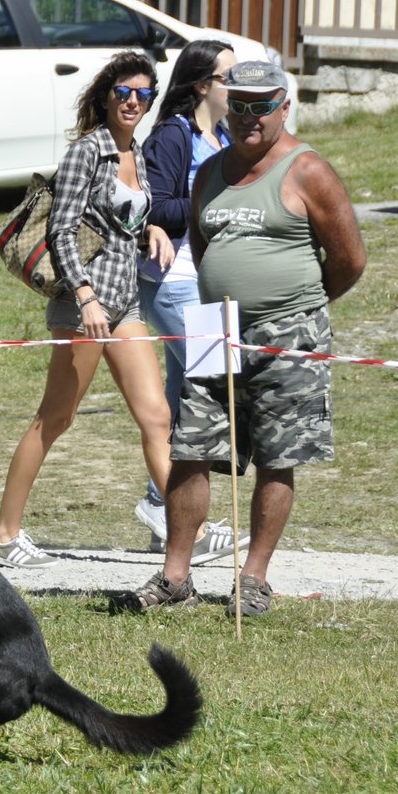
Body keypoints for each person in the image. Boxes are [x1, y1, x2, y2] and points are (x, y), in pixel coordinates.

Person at [122, 60, 366, 618]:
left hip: (290, 331)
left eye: (262, 106)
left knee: (277, 457)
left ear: (285, 108)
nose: (248, 117)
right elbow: (204, 246)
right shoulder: (211, 174)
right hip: (215, 327)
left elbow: (350, 259)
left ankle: (252, 578)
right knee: (192, 449)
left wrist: (296, 306)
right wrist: (226, 290)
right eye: (239, 105)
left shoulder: (308, 171)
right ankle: (175, 576)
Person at [0, 51, 174, 569]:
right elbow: (61, 230)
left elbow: (122, 226)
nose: (133, 101)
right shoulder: (88, 152)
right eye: (124, 92)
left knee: (156, 417)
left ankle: (184, 533)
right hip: (84, 306)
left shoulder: (135, 153)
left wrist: (151, 229)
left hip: (127, 301)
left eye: (143, 93)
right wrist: (86, 295)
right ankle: (4, 535)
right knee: (56, 417)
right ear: (107, 96)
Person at [133, 38, 249, 565]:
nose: (236, 84)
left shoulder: (222, 134)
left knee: (190, 391)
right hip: (171, 280)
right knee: (211, 383)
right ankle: (166, 506)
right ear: (202, 84)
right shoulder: (172, 137)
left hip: (204, 283)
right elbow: (155, 205)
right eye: (229, 76)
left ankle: (168, 510)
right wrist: (213, 203)